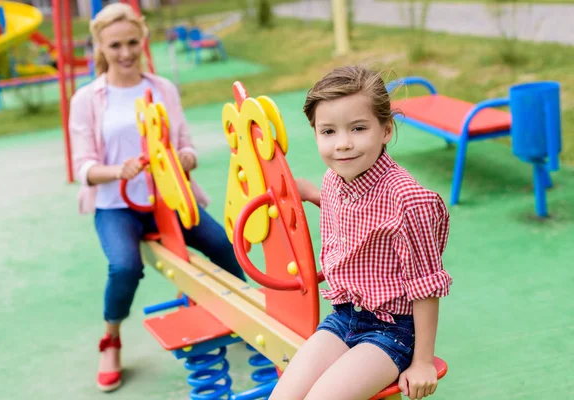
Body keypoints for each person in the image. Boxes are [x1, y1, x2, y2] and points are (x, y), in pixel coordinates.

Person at [68, 3, 246, 392]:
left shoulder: (162, 88)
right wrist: (119, 171)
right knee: (124, 266)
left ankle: (243, 316)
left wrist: (186, 158)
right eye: (115, 45)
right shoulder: (87, 99)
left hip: (169, 200)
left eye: (133, 42)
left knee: (224, 245)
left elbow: (187, 146)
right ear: (99, 45)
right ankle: (111, 338)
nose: (126, 53)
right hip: (117, 206)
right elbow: (82, 167)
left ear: (143, 39)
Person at [269, 66, 453, 400]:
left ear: (385, 129)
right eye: (328, 132)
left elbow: (426, 286)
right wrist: (314, 194)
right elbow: (362, 218)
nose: (343, 144)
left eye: (358, 128)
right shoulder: (334, 181)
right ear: (315, 134)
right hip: (343, 319)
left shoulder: (409, 200)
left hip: (392, 331)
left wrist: (423, 361)